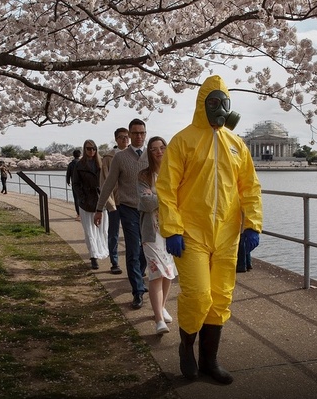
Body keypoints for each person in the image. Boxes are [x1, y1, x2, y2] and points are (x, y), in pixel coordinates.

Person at [156, 75, 263, 384]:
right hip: (191, 234)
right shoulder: (183, 140)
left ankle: (209, 361)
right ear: (202, 105)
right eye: (212, 102)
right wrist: (172, 229)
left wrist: (253, 224)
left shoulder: (236, 144)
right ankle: (186, 347)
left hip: (228, 236)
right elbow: (166, 189)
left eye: (223, 103)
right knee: (198, 294)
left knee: (220, 297)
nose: (219, 108)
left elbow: (250, 188)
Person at [94, 119, 148, 309]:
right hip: (128, 208)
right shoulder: (120, 157)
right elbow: (108, 184)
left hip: (149, 211)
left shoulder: (153, 155)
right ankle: (138, 291)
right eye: (135, 133)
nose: (139, 136)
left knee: (146, 250)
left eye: (142, 133)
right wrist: (99, 209)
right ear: (129, 135)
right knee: (133, 249)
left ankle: (140, 277)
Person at [137, 136, 177, 335]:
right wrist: (167, 195)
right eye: (154, 149)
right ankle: (158, 320)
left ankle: (162, 306)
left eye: (162, 148)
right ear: (149, 153)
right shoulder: (144, 175)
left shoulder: (175, 171)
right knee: (156, 273)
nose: (159, 151)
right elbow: (145, 202)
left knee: (169, 272)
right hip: (151, 231)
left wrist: (158, 197)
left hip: (171, 229)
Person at [73, 140, 109, 270]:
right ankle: (93, 256)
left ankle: (102, 251)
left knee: (103, 229)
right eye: (88, 149)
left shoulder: (101, 164)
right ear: (84, 149)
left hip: (101, 200)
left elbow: (108, 180)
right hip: (86, 201)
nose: (91, 151)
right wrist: (82, 198)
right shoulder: (79, 165)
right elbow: (75, 183)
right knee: (89, 231)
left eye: (93, 148)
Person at [100, 128, 130, 275]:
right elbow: (104, 182)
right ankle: (114, 262)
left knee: (133, 235)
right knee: (114, 233)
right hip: (115, 203)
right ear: (116, 139)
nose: (125, 139)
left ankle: (135, 265)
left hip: (131, 202)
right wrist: (110, 204)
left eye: (127, 137)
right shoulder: (108, 158)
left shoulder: (136, 155)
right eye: (121, 137)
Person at [66, 149, 82, 221]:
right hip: (83, 184)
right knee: (82, 198)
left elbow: (68, 173)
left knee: (76, 199)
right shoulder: (82, 163)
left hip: (75, 184)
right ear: (80, 155)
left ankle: (78, 214)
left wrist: (68, 181)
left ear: (73, 155)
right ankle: (84, 213)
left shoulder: (71, 164)